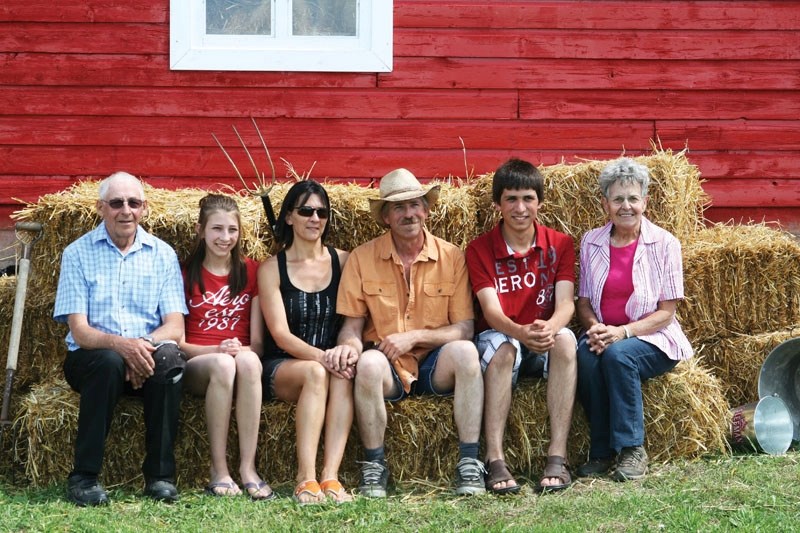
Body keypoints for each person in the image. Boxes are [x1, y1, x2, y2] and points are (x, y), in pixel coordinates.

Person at [333, 168, 485, 498]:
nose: (409, 214)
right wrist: (348, 347)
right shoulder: (361, 258)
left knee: (467, 352)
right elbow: (351, 327)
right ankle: (375, 466)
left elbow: (464, 328)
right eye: (398, 207)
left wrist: (414, 337)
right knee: (368, 364)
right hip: (386, 364)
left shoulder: (451, 256)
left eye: (415, 205)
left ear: (427, 210)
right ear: (385, 217)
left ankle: (470, 462)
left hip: (433, 363)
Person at [54, 171, 188, 506]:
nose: (125, 210)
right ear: (101, 208)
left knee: (169, 359)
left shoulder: (162, 254)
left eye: (133, 202)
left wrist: (138, 347)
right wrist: (120, 346)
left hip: (144, 352)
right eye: (116, 203)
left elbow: (174, 327)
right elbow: (80, 332)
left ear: (144, 208)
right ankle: (84, 478)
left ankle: (160, 477)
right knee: (109, 360)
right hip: (92, 359)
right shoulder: (77, 253)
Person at [575, 158, 693, 481]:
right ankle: (601, 452)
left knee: (617, 356)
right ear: (605, 204)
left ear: (645, 201)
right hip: (605, 333)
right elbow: (583, 301)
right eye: (617, 199)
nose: (625, 206)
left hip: (653, 338)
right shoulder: (591, 242)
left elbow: (667, 313)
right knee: (584, 356)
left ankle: (632, 450)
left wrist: (622, 333)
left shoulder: (666, 244)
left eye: (632, 198)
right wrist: (594, 327)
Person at [465, 158, 578, 494]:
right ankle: (495, 458)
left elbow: (567, 303)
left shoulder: (560, 244)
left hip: (542, 333)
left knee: (568, 341)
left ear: (539, 202)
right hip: (504, 334)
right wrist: (521, 333)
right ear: (498, 204)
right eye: (511, 199)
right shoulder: (479, 249)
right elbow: (491, 310)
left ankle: (557, 455)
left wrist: (550, 327)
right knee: (502, 351)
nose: (520, 207)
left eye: (528, 198)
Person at [259, 180, 354, 504]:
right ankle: (305, 477)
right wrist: (323, 357)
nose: (315, 218)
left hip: (328, 361)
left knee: (344, 372)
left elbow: (357, 317)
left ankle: (330, 476)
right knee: (318, 372)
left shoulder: (344, 261)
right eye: (306, 211)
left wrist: (341, 353)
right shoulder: (272, 268)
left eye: (322, 212)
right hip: (284, 364)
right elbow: (280, 335)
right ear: (288, 217)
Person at [180, 194, 273, 500]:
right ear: (200, 230)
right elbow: (179, 344)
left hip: (238, 357)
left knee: (246, 362)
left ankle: (248, 468)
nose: (225, 237)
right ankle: (218, 469)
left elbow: (257, 345)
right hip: (199, 362)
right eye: (217, 229)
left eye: (232, 230)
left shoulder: (252, 272)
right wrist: (217, 351)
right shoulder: (184, 274)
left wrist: (238, 351)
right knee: (225, 364)